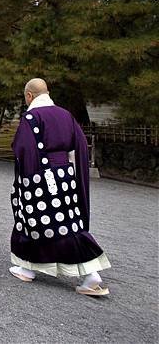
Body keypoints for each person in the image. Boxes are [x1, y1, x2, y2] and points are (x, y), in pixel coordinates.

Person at [9, 78, 111, 296]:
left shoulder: (31, 117)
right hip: (65, 173)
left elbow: (23, 148)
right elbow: (80, 144)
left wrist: (28, 176)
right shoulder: (66, 115)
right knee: (49, 220)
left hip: (38, 175)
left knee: (52, 222)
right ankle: (29, 267)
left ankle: (91, 272)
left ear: (29, 96)